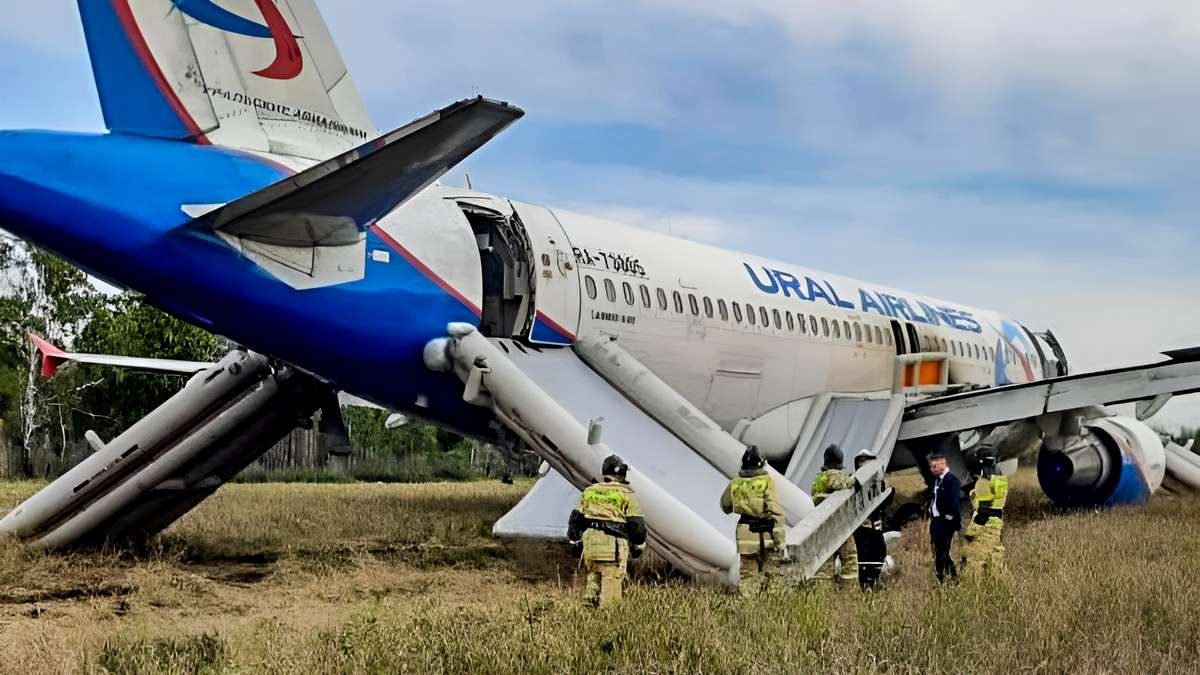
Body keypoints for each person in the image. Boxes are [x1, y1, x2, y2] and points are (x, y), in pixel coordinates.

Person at [567, 455, 646, 608]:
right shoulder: (627, 495)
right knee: (612, 595)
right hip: (613, 547)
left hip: (590, 546)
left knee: (592, 583)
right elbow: (637, 527)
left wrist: (575, 542)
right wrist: (638, 547)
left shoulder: (589, 492)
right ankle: (607, 624)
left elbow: (576, 519)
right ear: (622, 473)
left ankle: (587, 617)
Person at [720, 445, 786, 597]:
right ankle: (772, 605)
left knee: (748, 575)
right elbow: (775, 510)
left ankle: (749, 607)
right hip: (767, 535)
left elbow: (725, 506)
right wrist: (779, 539)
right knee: (773, 574)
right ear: (762, 463)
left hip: (746, 535)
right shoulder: (767, 481)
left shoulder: (736, 483)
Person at [811, 444, 857, 583]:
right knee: (850, 562)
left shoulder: (817, 480)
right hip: (841, 526)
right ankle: (848, 596)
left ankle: (822, 597)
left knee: (824, 565)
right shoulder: (837, 477)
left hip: (822, 528)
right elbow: (845, 482)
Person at [962, 446, 1008, 576]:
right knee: (996, 551)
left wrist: (972, 529)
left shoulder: (983, 483)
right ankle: (999, 578)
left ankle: (974, 583)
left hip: (984, 521)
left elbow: (983, 509)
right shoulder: (1000, 478)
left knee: (974, 556)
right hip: (997, 519)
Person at [852, 449, 890, 589]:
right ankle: (864, 585)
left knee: (879, 554)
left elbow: (887, 497)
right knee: (863, 558)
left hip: (876, 526)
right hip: (861, 528)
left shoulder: (879, 482)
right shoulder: (855, 483)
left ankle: (873, 582)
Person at [927, 453, 962, 582]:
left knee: (943, 551)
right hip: (936, 520)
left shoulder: (951, 480)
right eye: (931, 467)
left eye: (934, 466)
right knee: (937, 550)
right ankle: (941, 576)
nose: (932, 469)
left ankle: (951, 576)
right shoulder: (937, 480)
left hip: (944, 522)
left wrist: (949, 520)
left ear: (943, 464)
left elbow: (953, 503)